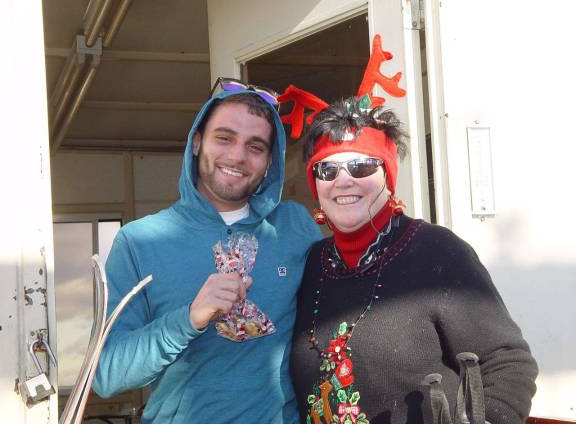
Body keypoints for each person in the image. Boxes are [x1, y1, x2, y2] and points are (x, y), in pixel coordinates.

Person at [290, 96, 538, 424]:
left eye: (361, 165)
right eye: (327, 169)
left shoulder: (438, 253)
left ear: (388, 178)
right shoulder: (310, 264)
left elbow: (508, 362)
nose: (344, 179)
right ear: (316, 184)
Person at [93, 79, 323, 423]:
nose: (237, 155)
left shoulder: (295, 226)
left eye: (255, 146)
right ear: (197, 142)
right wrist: (188, 319)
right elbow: (106, 374)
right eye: (224, 138)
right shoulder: (139, 242)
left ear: (270, 162)